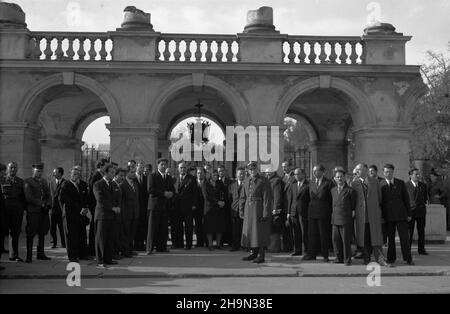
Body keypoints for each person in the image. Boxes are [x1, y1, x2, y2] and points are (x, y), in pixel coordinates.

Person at [352, 164, 389, 266]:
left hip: (373, 214)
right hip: (361, 216)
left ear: (365, 170)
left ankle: (380, 259)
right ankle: (366, 258)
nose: (357, 171)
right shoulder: (354, 183)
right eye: (356, 170)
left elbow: (380, 198)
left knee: (376, 238)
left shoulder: (375, 181)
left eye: (359, 169)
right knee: (364, 238)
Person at [380, 163, 414, 265]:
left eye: (390, 171)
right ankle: (391, 258)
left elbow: (406, 199)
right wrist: (381, 216)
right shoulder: (380, 184)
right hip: (388, 216)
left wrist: (409, 214)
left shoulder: (400, 183)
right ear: (383, 172)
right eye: (386, 172)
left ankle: (408, 259)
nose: (388, 173)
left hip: (401, 214)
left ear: (393, 172)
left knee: (404, 238)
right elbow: (380, 202)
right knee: (390, 239)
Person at [240, 161, 273, 264]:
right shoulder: (246, 180)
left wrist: (265, 213)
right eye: (250, 169)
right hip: (248, 209)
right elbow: (242, 196)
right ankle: (253, 253)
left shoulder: (263, 180)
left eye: (253, 169)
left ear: (257, 169)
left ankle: (260, 255)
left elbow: (267, 198)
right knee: (250, 232)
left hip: (258, 209)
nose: (252, 171)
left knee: (259, 233)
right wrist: (241, 210)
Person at [303, 165, 333, 262]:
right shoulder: (311, 183)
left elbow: (331, 199)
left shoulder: (328, 183)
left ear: (322, 172)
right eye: (313, 171)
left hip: (323, 213)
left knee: (323, 234)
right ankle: (311, 254)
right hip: (312, 212)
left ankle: (325, 255)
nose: (314, 172)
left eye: (316, 171)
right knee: (312, 234)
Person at [59, 167, 90, 262]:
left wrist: (85, 208)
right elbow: (66, 200)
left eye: (77, 174)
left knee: (81, 235)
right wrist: (79, 209)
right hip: (70, 214)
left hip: (81, 215)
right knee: (71, 236)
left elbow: (85, 198)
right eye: (74, 174)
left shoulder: (81, 185)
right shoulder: (66, 185)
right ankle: (72, 256)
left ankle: (82, 254)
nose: (76, 176)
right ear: (70, 175)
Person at [93, 163, 121, 268]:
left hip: (112, 216)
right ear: (106, 173)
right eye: (112, 172)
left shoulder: (113, 184)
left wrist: (118, 206)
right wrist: (112, 207)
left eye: (114, 172)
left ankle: (108, 259)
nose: (114, 174)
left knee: (110, 238)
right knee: (101, 238)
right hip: (102, 216)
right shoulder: (98, 184)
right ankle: (100, 260)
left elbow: (118, 197)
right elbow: (100, 200)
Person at [24, 163, 51, 263]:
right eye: (38, 171)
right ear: (33, 171)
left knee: (42, 232)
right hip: (33, 211)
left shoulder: (44, 181)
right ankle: (29, 255)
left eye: (41, 171)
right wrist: (42, 204)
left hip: (43, 212)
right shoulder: (28, 181)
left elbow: (48, 194)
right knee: (31, 233)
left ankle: (41, 254)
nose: (40, 173)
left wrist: (48, 204)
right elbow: (29, 197)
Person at [147, 158, 175, 254]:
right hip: (154, 206)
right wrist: (163, 193)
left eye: (165, 164)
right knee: (152, 228)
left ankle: (162, 247)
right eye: (162, 164)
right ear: (158, 165)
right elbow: (150, 189)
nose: (163, 166)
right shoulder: (152, 176)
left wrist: (171, 193)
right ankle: (149, 248)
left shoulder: (168, 177)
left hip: (165, 206)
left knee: (163, 228)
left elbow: (172, 189)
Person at [0, 162, 26, 262]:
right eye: (11, 168)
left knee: (15, 233)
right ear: (7, 169)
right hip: (4, 211)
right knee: (1, 233)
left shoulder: (20, 181)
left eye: (15, 168)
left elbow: (23, 197)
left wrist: (22, 209)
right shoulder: (2, 180)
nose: (13, 169)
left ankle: (14, 255)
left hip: (16, 211)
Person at [331, 168, 356, 266]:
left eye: (341, 177)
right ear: (334, 179)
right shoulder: (332, 190)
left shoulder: (350, 191)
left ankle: (347, 259)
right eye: (338, 177)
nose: (340, 178)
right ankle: (338, 258)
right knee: (335, 240)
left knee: (345, 240)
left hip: (345, 219)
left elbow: (353, 205)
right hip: (335, 218)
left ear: (345, 178)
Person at [287, 168, 310, 256]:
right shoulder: (293, 185)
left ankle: (306, 251)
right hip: (294, 212)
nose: (296, 176)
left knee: (304, 232)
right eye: (295, 174)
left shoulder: (308, 185)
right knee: (296, 232)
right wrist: (289, 212)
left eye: (298, 174)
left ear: (303, 174)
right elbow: (290, 199)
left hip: (303, 212)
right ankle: (297, 250)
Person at [173, 162, 196, 249]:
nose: (182, 169)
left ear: (187, 169)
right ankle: (179, 244)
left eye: (184, 167)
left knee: (188, 227)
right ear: (178, 169)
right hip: (177, 207)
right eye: (181, 167)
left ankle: (189, 244)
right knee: (178, 227)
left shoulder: (192, 178)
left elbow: (194, 193)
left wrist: (194, 204)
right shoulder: (174, 178)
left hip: (188, 206)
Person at [202, 170, 226, 250]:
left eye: (216, 175)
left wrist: (223, 201)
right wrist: (217, 202)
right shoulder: (205, 184)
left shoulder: (220, 183)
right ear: (210, 175)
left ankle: (218, 244)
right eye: (214, 175)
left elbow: (224, 193)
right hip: (209, 208)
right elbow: (207, 196)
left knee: (219, 227)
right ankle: (210, 245)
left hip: (219, 208)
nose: (216, 176)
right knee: (210, 228)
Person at [406, 168, 428, 255]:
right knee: (409, 232)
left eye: (418, 174)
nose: (418, 176)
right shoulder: (406, 185)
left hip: (421, 211)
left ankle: (421, 249)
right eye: (416, 174)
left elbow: (425, 197)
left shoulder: (423, 185)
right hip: (411, 212)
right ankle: (408, 250)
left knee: (421, 231)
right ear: (410, 175)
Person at [87, 159, 107, 256]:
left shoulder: (100, 175)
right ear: (101, 166)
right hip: (95, 205)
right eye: (106, 166)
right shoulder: (96, 176)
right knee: (95, 229)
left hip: (96, 205)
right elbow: (92, 192)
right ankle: (92, 250)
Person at [119, 167, 139, 257]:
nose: (134, 173)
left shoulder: (134, 183)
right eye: (132, 172)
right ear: (127, 173)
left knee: (132, 233)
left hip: (134, 213)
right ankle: (125, 251)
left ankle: (130, 249)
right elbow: (121, 200)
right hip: (126, 213)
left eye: (134, 172)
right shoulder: (123, 184)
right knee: (126, 233)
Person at [266, 168, 284, 253]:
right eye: (267, 171)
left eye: (270, 171)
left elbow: (277, 195)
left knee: (274, 228)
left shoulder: (276, 180)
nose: (268, 172)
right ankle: (270, 246)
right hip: (268, 207)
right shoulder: (267, 179)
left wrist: (275, 208)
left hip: (273, 208)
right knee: (269, 228)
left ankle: (274, 247)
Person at [228, 167, 245, 251]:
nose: (241, 175)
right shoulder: (232, 185)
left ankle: (244, 246)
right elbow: (230, 198)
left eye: (243, 173)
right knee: (235, 230)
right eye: (240, 173)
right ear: (236, 174)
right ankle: (235, 246)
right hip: (234, 210)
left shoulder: (247, 184)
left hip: (244, 210)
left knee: (244, 230)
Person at [49, 167, 66, 249]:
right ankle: (54, 242)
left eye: (55, 172)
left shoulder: (65, 183)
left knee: (62, 228)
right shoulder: (51, 182)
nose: (53, 174)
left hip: (61, 209)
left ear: (60, 173)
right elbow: (50, 195)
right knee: (52, 228)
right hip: (53, 209)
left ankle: (64, 243)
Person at [134, 161, 149, 251]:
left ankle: (142, 244)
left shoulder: (146, 178)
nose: (141, 169)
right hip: (135, 206)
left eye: (143, 168)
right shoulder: (133, 178)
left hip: (144, 206)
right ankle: (136, 244)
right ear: (136, 167)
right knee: (136, 226)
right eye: (140, 167)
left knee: (143, 226)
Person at [217, 165, 232, 247]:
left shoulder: (229, 181)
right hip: (218, 206)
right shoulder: (215, 181)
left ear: (225, 171)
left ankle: (229, 241)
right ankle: (220, 242)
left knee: (227, 223)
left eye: (222, 171)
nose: (221, 172)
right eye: (219, 171)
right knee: (219, 224)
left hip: (227, 205)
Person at [281, 161, 294, 252]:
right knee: (285, 229)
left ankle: (293, 247)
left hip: (291, 206)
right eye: (282, 167)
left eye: (285, 166)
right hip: (283, 207)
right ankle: (286, 247)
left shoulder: (294, 177)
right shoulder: (283, 178)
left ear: (290, 167)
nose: (284, 168)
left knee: (291, 229)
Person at [112, 169, 124, 260]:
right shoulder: (113, 184)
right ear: (115, 176)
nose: (122, 177)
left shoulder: (119, 185)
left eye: (123, 175)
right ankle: (113, 253)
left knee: (118, 233)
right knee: (114, 234)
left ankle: (117, 251)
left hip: (119, 213)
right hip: (113, 213)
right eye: (120, 175)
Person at [193, 167, 205, 248]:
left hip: (205, 207)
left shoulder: (207, 183)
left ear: (204, 174)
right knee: (197, 225)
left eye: (201, 173)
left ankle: (207, 242)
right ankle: (199, 242)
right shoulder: (193, 183)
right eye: (198, 173)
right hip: (196, 207)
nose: (199, 174)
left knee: (205, 225)